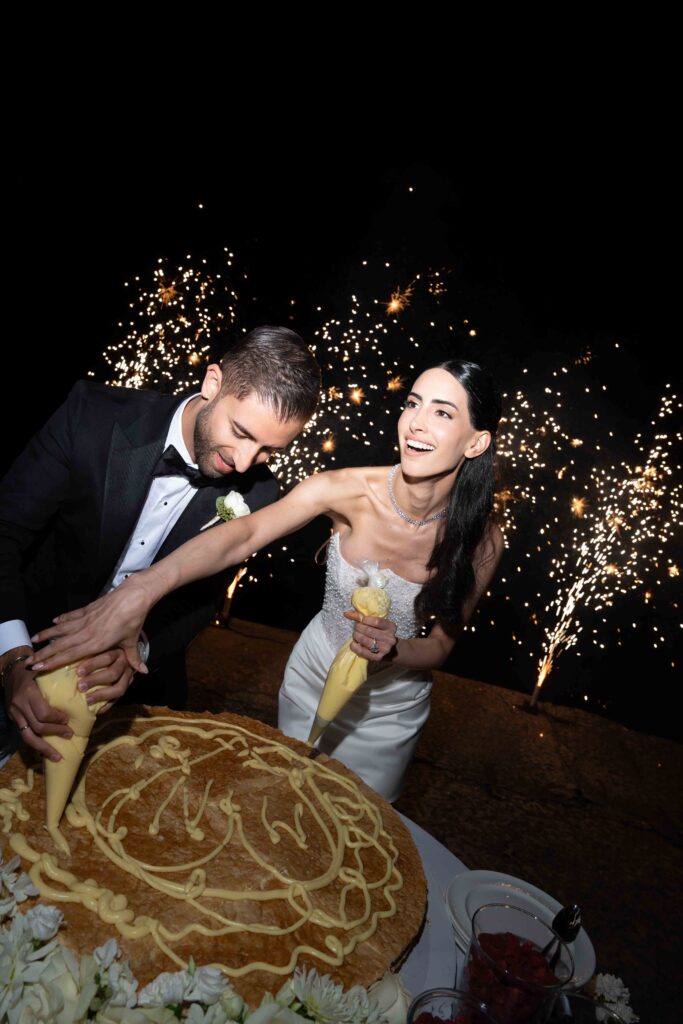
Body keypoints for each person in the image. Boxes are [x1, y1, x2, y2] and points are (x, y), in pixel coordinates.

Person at [31, 359, 504, 800]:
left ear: (475, 442)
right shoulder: (342, 489)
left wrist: (396, 649)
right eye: (412, 404)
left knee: (363, 822)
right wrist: (143, 588)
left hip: (391, 709)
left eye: (442, 412)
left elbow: (441, 645)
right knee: (283, 801)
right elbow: (244, 534)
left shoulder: (483, 541)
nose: (416, 423)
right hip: (311, 677)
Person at [0, 326, 321, 763]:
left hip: (139, 697)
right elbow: (6, 534)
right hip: (26, 639)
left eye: (268, 451)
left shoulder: (260, 497)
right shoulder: (91, 416)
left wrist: (136, 651)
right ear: (213, 384)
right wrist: (13, 661)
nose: (245, 463)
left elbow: (202, 600)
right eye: (242, 433)